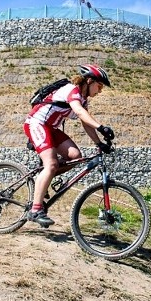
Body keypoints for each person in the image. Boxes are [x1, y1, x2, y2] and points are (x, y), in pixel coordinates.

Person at [23, 64, 115, 227]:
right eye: (99, 86)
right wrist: (101, 127)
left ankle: (44, 178)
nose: (100, 91)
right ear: (89, 81)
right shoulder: (72, 90)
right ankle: (35, 210)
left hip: (51, 128)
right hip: (37, 123)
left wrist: (99, 143)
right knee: (51, 165)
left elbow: (85, 122)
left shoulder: (83, 99)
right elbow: (80, 113)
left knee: (75, 157)